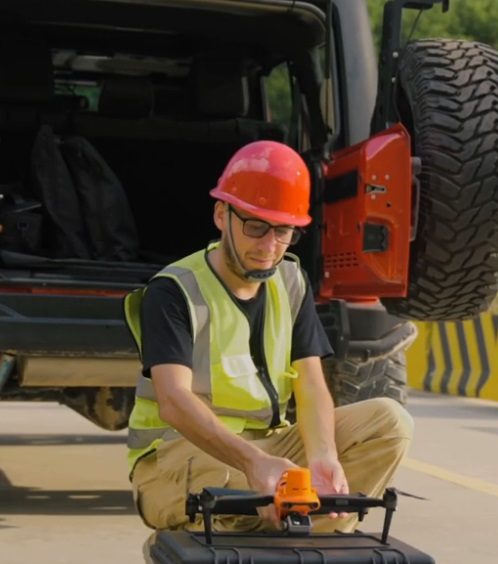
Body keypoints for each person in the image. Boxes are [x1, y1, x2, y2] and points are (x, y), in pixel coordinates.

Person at [123, 141, 413, 535]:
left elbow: (310, 383)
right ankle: (213, 541)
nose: (269, 246)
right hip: (179, 453)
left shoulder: (290, 281)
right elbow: (173, 402)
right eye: (256, 227)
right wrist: (254, 463)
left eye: (283, 231)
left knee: (390, 422)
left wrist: (324, 455)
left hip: (270, 449)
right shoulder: (175, 290)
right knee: (231, 487)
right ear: (222, 215)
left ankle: (307, 543)